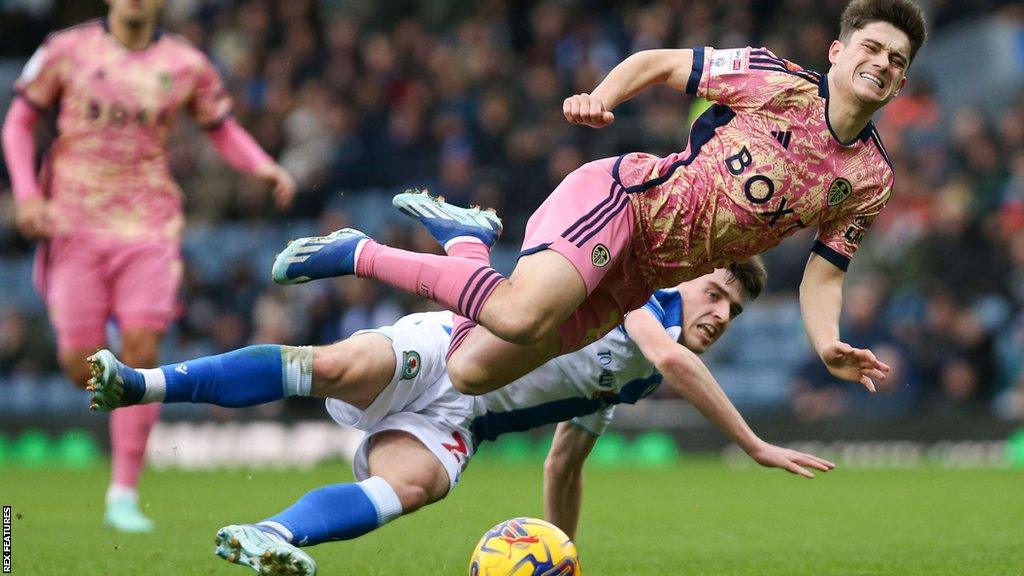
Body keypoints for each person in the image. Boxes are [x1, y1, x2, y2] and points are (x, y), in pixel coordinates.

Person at [88, 207, 832, 575]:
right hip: (447, 349)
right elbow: (672, 360)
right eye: (715, 294)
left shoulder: (629, 376)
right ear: (685, 279)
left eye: (732, 311)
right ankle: (139, 381)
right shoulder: (640, 296)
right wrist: (753, 442)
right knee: (337, 366)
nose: (720, 315)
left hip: (467, 418)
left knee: (412, 488)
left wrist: (568, 553)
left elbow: (563, 465)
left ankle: (273, 535)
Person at [271, 0, 926, 400]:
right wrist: (603, 99)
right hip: (624, 203)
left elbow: (825, 275)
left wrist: (829, 343)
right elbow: (661, 61)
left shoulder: (869, 179)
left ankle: (467, 238)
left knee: (470, 372)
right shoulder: (775, 81)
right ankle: (358, 252)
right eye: (872, 46)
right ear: (838, 51)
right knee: (523, 316)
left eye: (897, 60)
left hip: (642, 276)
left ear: (901, 82)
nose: (883, 63)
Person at [1, 0, 296, 532]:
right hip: (75, 227)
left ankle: (123, 494)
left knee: (140, 354)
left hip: (150, 229)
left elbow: (221, 126)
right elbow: (18, 122)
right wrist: (25, 195)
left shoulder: (186, 63)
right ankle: (117, 451)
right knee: (81, 365)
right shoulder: (66, 50)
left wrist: (263, 165)